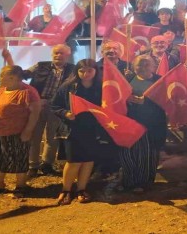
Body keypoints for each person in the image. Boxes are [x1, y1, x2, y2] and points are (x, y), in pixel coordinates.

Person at [3, 44, 76, 177]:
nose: (58, 55)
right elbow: (20, 74)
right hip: (38, 105)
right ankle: (33, 166)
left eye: (61, 53)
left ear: (68, 55)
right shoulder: (40, 66)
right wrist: (9, 59)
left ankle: (47, 164)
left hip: (58, 107)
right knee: (34, 136)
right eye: (56, 53)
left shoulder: (73, 70)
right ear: (52, 54)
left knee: (52, 138)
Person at [51, 59, 114, 204]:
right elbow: (54, 105)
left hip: (93, 129)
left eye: (89, 70)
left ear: (96, 71)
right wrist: (65, 113)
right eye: (82, 71)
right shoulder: (68, 86)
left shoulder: (101, 88)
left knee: (88, 161)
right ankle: (66, 190)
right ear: (76, 71)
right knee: (73, 161)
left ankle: (81, 189)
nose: (86, 74)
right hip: (72, 129)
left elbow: (108, 106)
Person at [0, 65, 41, 198]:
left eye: (1, 76)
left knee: (19, 158)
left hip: (17, 132)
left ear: (12, 78)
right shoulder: (2, 90)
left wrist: (28, 131)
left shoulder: (28, 92)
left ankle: (21, 185)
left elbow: (35, 113)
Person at [121, 55, 167, 191]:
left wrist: (145, 101)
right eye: (139, 64)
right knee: (128, 154)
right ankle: (128, 181)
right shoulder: (127, 79)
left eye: (147, 64)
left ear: (153, 66)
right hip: (130, 123)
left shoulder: (160, 81)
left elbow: (165, 101)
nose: (143, 67)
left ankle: (143, 183)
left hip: (152, 125)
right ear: (134, 67)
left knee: (147, 155)